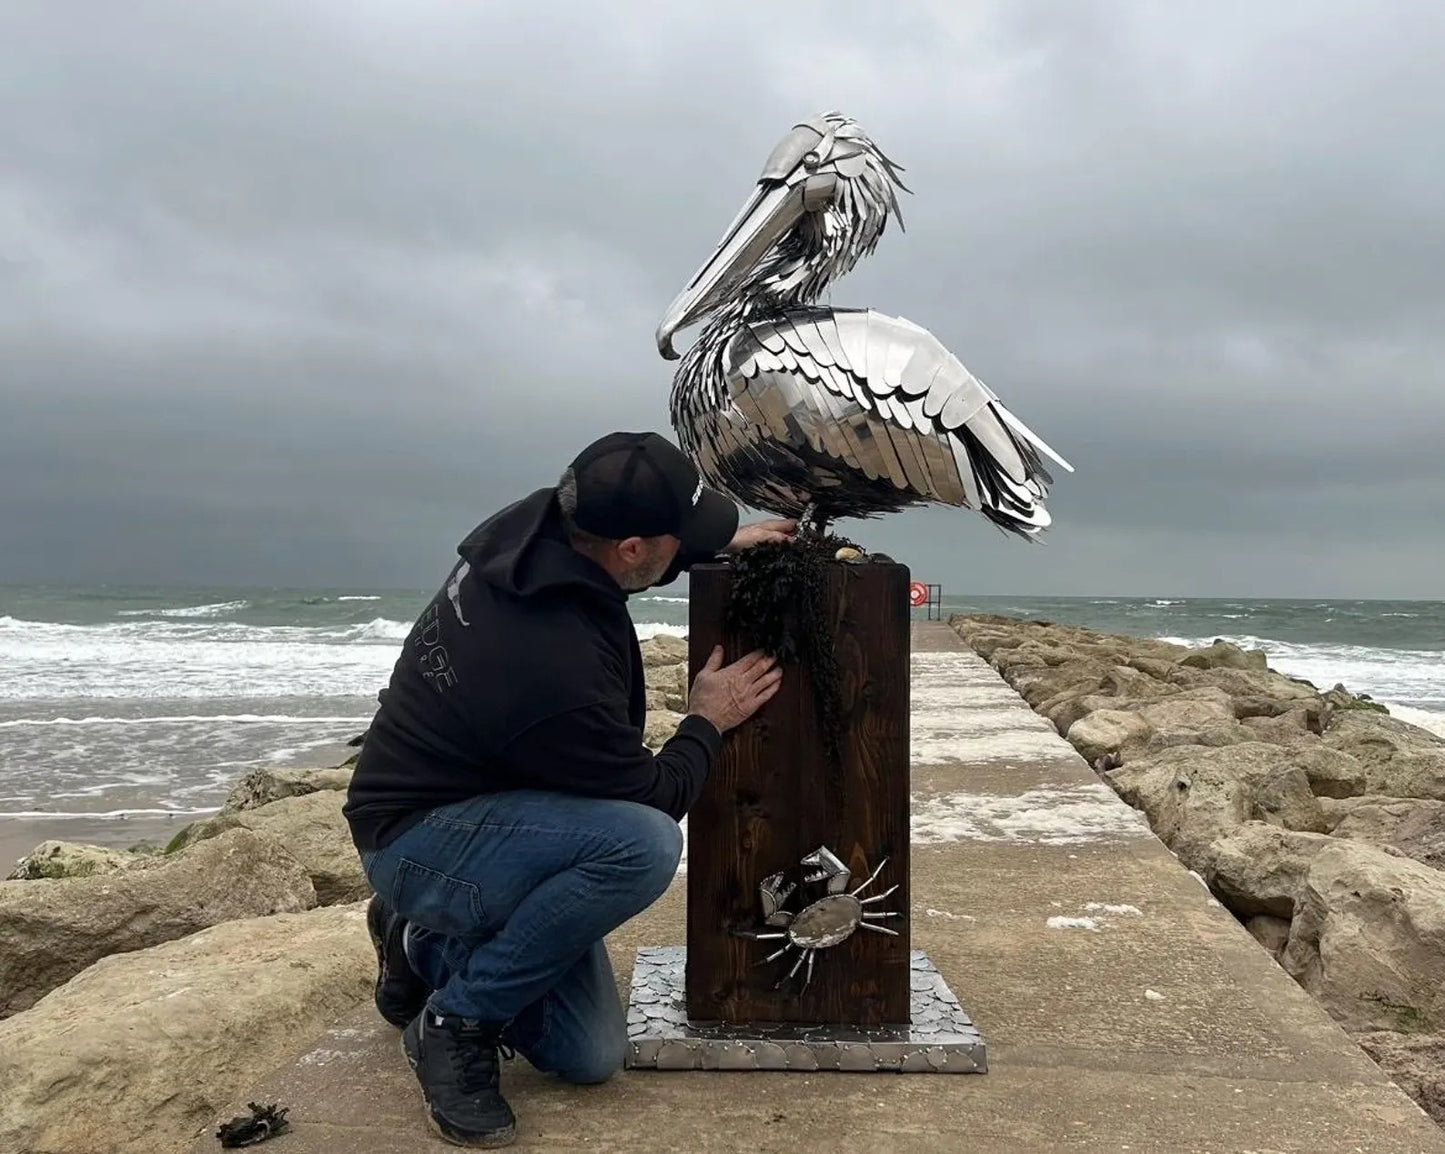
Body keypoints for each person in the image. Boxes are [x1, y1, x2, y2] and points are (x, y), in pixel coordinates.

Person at [343, 431, 794, 1148]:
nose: (688, 547)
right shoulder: (550, 671)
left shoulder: (538, 527)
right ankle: (453, 1022)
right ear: (632, 548)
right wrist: (706, 719)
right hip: (419, 838)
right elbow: (653, 794)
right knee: (642, 845)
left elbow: (632, 558)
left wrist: (713, 544)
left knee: (587, 1057)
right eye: (681, 538)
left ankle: (416, 940)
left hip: (490, 807)